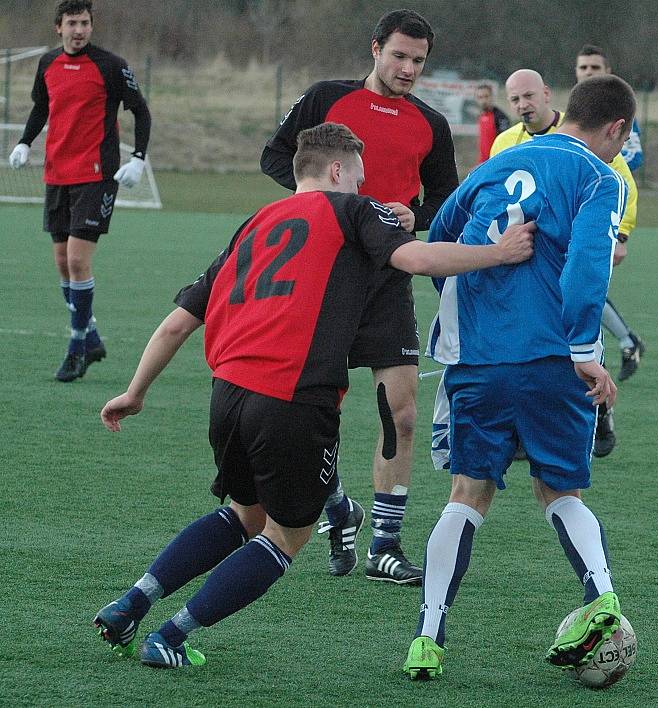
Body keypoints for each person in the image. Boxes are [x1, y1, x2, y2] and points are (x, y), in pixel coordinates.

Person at [93, 123, 535, 669]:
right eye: (359, 177)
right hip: (293, 399)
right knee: (285, 538)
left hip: (228, 393)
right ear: (336, 171)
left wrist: (135, 392)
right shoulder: (354, 210)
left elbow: (177, 325)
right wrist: (498, 252)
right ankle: (171, 636)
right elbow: (417, 260)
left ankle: (130, 603)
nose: (363, 187)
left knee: (243, 514)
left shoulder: (254, 223)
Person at [403, 75, 635, 681]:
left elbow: (442, 242)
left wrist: (479, 310)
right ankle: (603, 601)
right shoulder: (599, 177)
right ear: (616, 129)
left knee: (466, 495)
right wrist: (586, 351)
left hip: (477, 362)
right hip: (552, 358)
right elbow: (587, 265)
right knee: (560, 492)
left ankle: (428, 636)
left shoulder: (496, 164)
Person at [261, 9, 458, 585]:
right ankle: (337, 504)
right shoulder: (326, 99)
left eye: (418, 61)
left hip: (389, 272)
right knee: (315, 409)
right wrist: (328, 203)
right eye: (399, 56)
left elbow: (446, 204)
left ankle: (385, 546)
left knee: (399, 410)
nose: (408, 69)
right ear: (375, 49)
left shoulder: (432, 124)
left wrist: (413, 213)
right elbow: (277, 158)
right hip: (322, 269)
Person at [487, 69, 639, 458]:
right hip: (518, 266)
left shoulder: (600, 156)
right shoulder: (505, 143)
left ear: (548, 95)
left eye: (528, 96)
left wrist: (618, 234)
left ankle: (596, 415)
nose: (523, 105)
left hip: (565, 258)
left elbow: (621, 187)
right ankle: (532, 432)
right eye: (515, 99)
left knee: (576, 322)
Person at [8, 0, 151, 382]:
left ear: (91, 26)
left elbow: (141, 110)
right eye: (72, 23)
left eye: (85, 23)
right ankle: (92, 337)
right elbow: (42, 108)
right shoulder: (48, 64)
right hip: (57, 174)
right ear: (59, 27)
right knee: (61, 264)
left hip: (96, 174)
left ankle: (76, 349)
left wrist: (137, 158)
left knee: (77, 262)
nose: (79, 30)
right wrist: (24, 141)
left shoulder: (111, 65)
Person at [576, 44, 646, 384]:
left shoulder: (622, 119)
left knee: (583, 286)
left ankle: (611, 349)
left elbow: (630, 169)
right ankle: (625, 341)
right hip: (575, 216)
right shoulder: (571, 118)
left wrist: (622, 233)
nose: (588, 73)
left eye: (595, 67)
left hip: (604, 215)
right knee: (576, 285)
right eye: (583, 68)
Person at [475, 82, 510, 164]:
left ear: (492, 97)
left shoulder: (500, 117)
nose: (484, 100)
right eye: (480, 97)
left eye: (486, 96)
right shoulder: (481, 116)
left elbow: (505, 142)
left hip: (495, 162)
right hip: (483, 163)